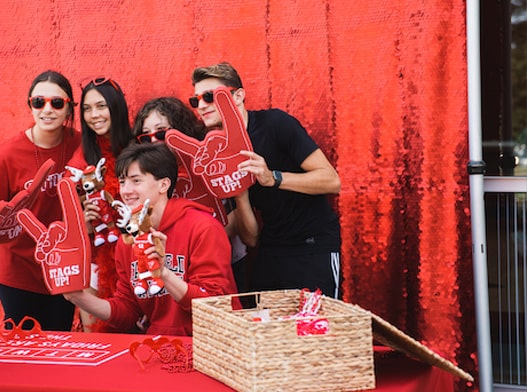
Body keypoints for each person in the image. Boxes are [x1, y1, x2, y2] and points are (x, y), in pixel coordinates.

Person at [190, 62, 343, 298]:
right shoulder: (217, 149)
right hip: (271, 247)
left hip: (313, 243)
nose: (201, 106)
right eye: (195, 100)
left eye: (210, 96)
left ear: (239, 96)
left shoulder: (274, 124)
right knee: (264, 327)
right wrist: (240, 194)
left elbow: (332, 180)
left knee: (316, 327)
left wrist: (273, 178)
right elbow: (250, 239)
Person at [63, 143, 237, 336]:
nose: (126, 191)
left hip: (213, 345)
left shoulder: (203, 227)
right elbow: (127, 310)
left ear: (164, 184)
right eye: (122, 182)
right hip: (158, 345)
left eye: (136, 181)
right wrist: (78, 297)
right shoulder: (128, 240)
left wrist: (163, 273)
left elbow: (213, 302)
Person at [0, 70, 81, 331]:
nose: (47, 110)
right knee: (20, 348)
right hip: (19, 270)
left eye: (57, 103)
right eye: (39, 102)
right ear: (30, 105)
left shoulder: (80, 145)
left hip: (64, 267)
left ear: (69, 108)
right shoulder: (7, 155)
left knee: (59, 347)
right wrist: (8, 228)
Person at [132, 97, 254, 292]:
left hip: (221, 264)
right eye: (146, 137)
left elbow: (233, 218)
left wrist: (197, 242)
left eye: (161, 133)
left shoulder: (205, 163)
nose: (154, 141)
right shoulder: (147, 179)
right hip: (172, 270)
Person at [66, 77, 132, 332]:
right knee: (95, 337)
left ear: (116, 108)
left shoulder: (135, 149)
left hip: (131, 257)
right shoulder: (80, 160)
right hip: (95, 259)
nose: (94, 115)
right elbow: (66, 219)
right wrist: (83, 220)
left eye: (101, 106)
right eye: (87, 109)